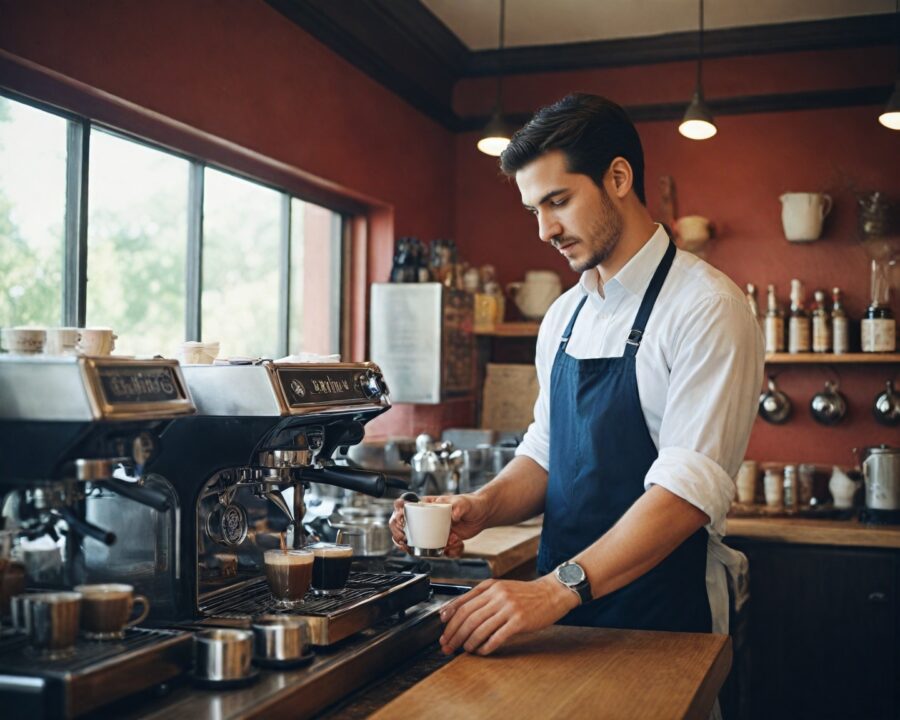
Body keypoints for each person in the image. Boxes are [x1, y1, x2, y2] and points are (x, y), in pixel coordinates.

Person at [389, 93, 764, 658]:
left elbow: (686, 494)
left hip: (662, 625)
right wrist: (481, 507)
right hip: (556, 625)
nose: (544, 230)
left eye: (557, 201)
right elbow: (545, 452)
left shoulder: (707, 305)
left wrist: (555, 589)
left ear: (618, 177)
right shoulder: (565, 316)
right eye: (533, 210)